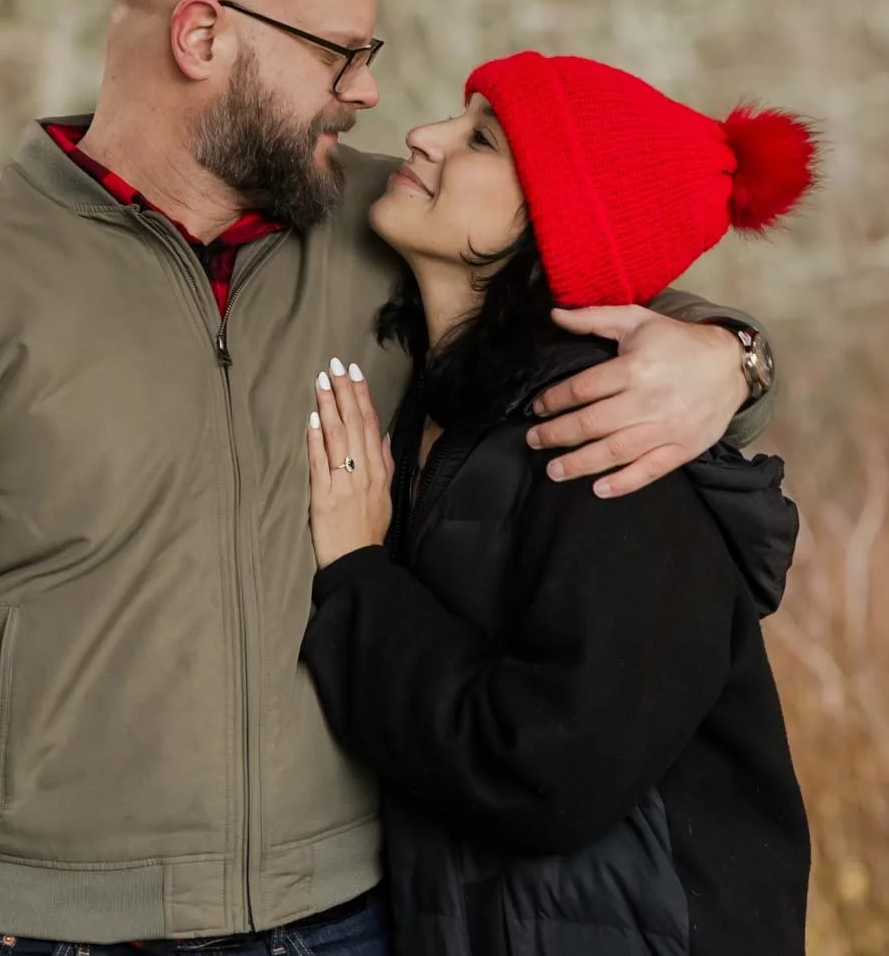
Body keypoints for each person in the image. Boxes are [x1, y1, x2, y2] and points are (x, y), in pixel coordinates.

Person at [0, 0, 786, 956]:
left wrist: (735, 356)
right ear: (202, 38)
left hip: (362, 919)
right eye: (340, 53)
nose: (367, 95)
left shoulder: (390, 226)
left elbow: (598, 276)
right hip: (63, 932)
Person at [299, 52, 815, 956]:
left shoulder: (607, 448)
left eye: (481, 141)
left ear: (563, 225)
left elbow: (549, 766)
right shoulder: (455, 405)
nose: (422, 136)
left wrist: (357, 579)